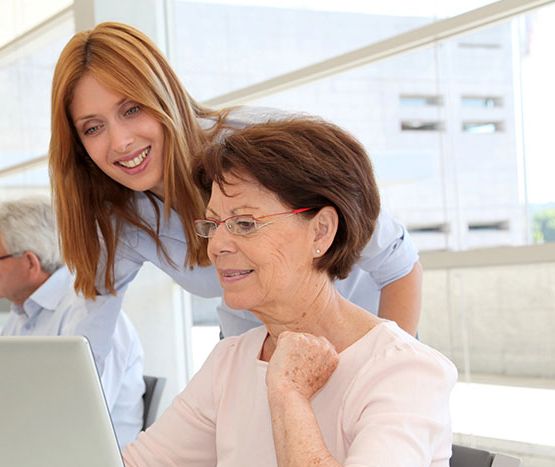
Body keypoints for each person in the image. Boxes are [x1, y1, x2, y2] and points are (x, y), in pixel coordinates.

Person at [121, 118, 455, 467]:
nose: (216, 245)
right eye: (214, 224)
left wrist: (289, 396)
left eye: (243, 224)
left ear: (321, 232)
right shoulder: (231, 360)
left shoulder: (405, 371)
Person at [49, 22, 422, 368]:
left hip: (362, 338)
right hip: (261, 353)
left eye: (131, 109)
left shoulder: (257, 141)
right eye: (93, 127)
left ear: (163, 95)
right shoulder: (122, 218)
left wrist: (387, 373)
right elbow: (88, 341)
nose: (120, 142)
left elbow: (397, 265)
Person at [0, 196, 145, 448]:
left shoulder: (93, 313)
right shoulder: (20, 313)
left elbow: (79, 418)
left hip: (86, 466)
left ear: (30, 263)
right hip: (37, 452)